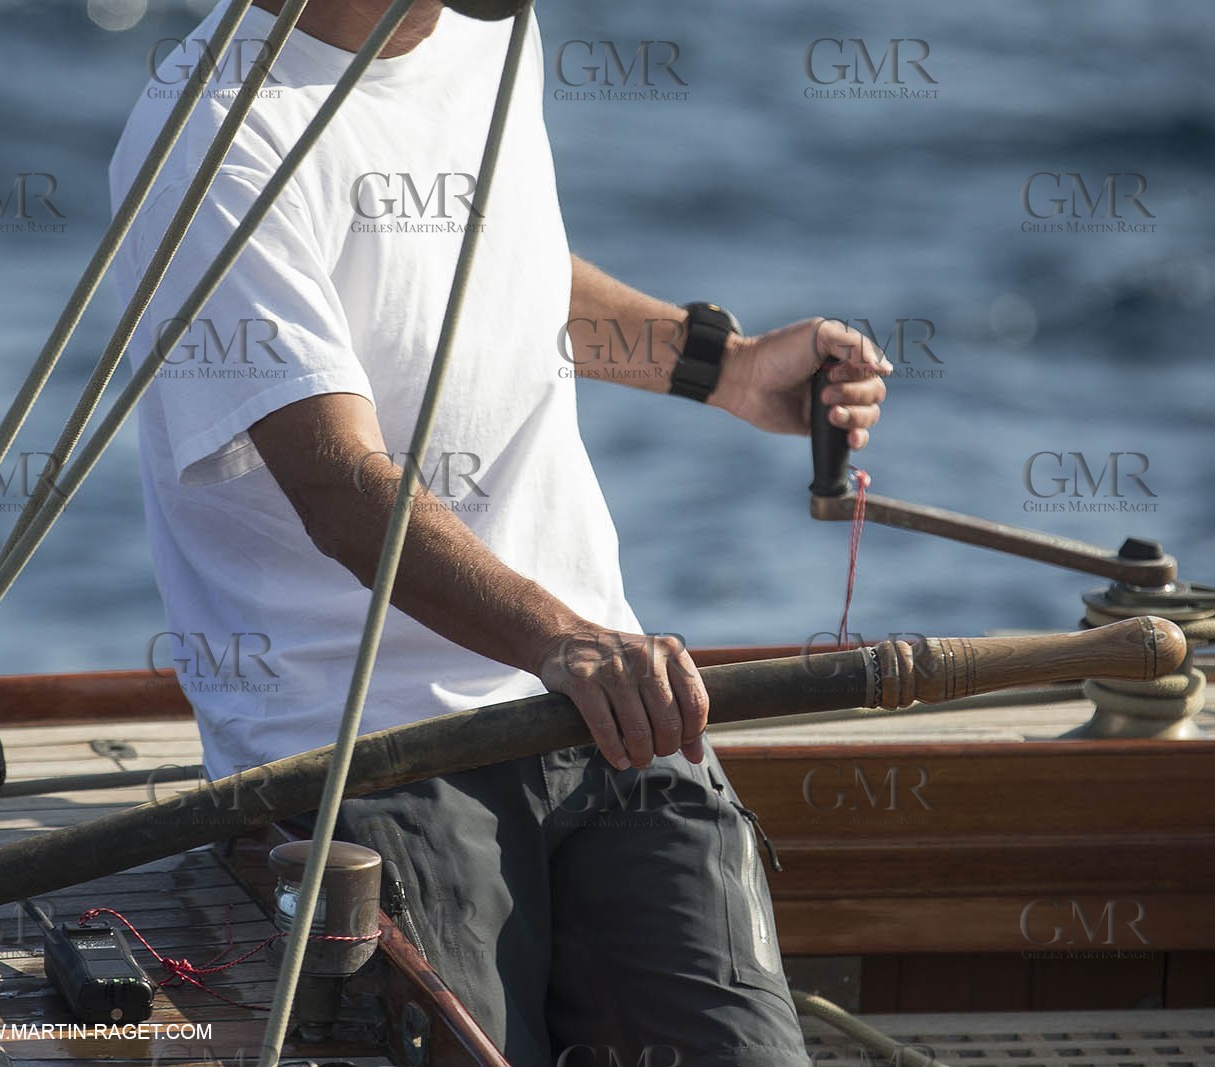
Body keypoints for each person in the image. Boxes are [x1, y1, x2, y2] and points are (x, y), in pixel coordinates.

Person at [110, 2, 890, 1064]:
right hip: (366, 750)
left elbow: (504, 266)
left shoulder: (494, 29)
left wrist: (728, 367)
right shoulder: (210, 138)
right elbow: (340, 484)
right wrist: (557, 638)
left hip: (591, 714)